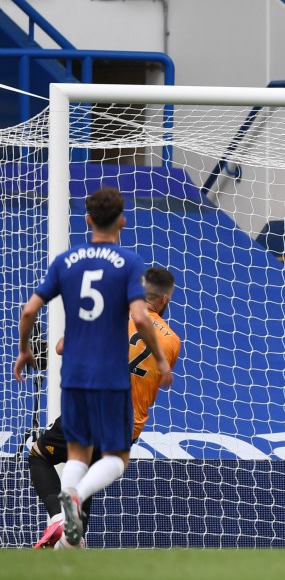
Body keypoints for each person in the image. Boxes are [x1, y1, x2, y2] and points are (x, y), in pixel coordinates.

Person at [14, 188, 173, 549]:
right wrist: (161, 361)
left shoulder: (66, 262)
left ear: (87, 220)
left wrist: (24, 351)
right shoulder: (128, 264)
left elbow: (28, 313)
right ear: (122, 220)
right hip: (111, 382)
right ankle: (72, 500)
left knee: (77, 453)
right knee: (116, 459)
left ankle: (68, 531)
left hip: (74, 379)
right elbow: (139, 318)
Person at [29, 267, 181, 549]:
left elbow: (62, 348)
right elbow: (154, 382)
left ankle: (56, 518)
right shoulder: (172, 341)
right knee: (88, 472)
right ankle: (72, 542)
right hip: (127, 422)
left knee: (39, 455)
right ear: (165, 298)